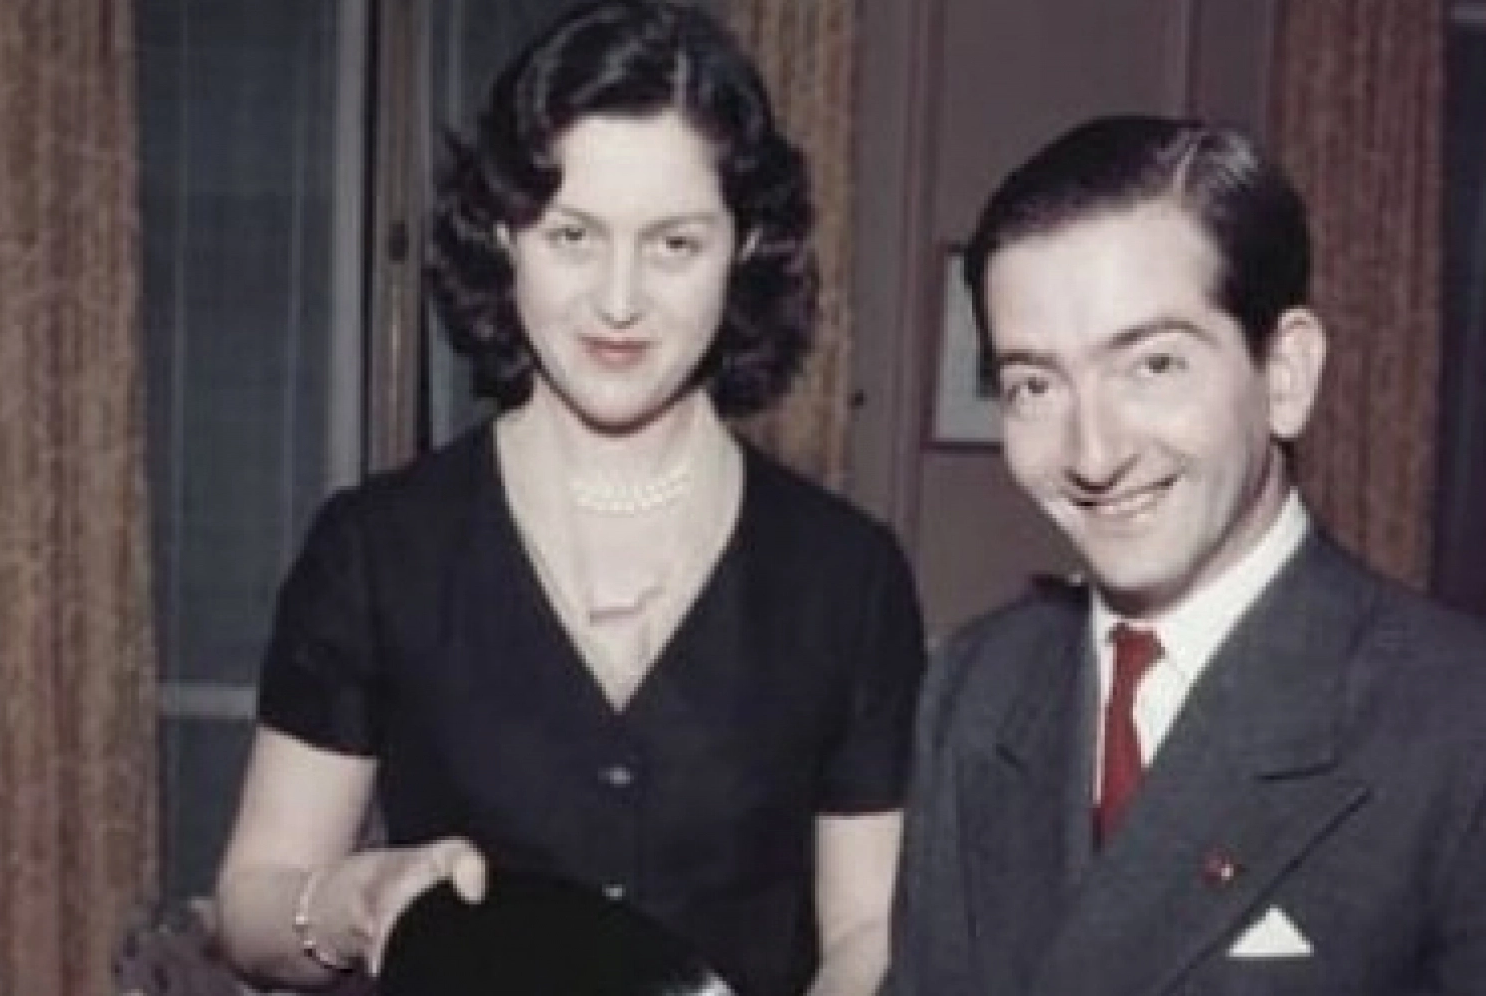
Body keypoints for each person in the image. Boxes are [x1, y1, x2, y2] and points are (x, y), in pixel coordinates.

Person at [213, 4, 927, 995]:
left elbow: (866, 929)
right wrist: (353, 899)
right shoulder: (375, 549)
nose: (618, 301)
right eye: (572, 236)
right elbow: (253, 905)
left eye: (673, 244)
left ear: (746, 244)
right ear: (503, 235)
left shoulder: (848, 577)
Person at [887, 114, 1486, 995]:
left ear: (1284, 374)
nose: (1092, 455)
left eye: (1153, 366)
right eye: (1033, 385)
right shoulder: (976, 688)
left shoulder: (1455, 720)